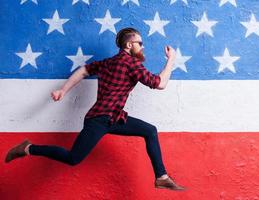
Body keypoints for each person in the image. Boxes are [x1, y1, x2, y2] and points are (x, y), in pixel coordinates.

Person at [5, 27, 185, 191]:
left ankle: (161, 177)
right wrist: (171, 60)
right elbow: (160, 83)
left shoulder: (108, 62)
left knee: (150, 131)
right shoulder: (131, 64)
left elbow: (84, 71)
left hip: (113, 118)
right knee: (73, 158)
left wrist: (63, 90)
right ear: (129, 45)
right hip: (99, 119)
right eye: (140, 43)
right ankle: (28, 148)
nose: (143, 47)